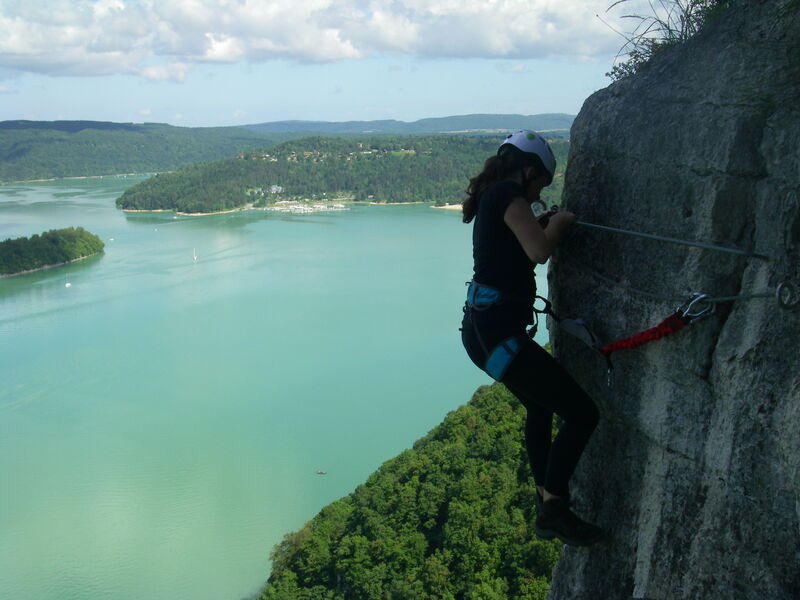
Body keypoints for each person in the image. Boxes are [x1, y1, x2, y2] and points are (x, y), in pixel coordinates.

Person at [460, 130, 603, 546]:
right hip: (497, 333)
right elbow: (539, 251)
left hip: (484, 333)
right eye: (540, 181)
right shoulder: (509, 196)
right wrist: (558, 222)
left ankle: (546, 502)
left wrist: (541, 223)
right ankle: (555, 508)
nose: (540, 191)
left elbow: (517, 247)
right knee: (582, 414)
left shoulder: (497, 197)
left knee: (540, 410)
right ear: (528, 170)